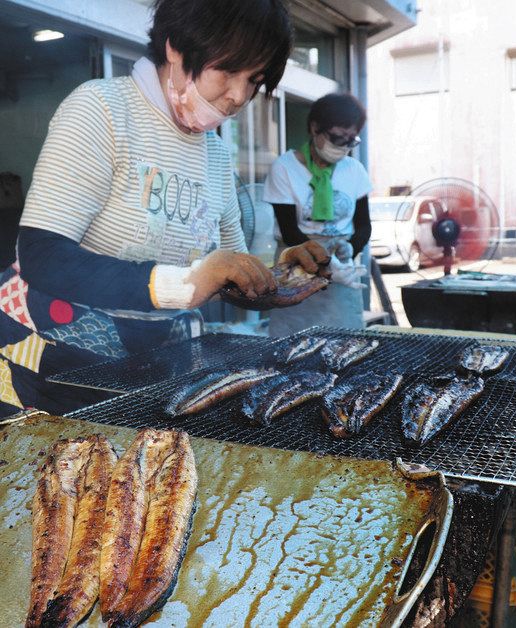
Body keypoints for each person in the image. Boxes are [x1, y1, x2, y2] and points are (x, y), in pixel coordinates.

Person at [0, 0, 328, 418]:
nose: (238, 96)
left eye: (255, 80)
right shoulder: (102, 110)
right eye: (229, 71)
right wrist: (183, 283)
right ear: (175, 47)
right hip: (46, 365)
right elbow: (42, 256)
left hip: (147, 367)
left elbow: (224, 274)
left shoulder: (215, 154)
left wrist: (282, 274)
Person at [263, 93, 372, 337]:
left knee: (346, 343)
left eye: (349, 141)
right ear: (315, 128)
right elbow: (290, 232)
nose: (342, 147)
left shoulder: (354, 170)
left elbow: (364, 226)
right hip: (297, 265)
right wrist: (325, 261)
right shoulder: (285, 167)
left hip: (341, 271)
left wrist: (349, 250)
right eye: (336, 138)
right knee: (291, 343)